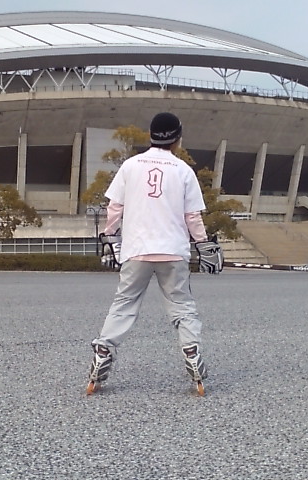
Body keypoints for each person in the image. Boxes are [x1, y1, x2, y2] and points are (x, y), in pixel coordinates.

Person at [86, 112, 215, 395]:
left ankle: (104, 350)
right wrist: (204, 244)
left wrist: (109, 236)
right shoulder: (183, 170)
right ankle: (191, 352)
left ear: (150, 135)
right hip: (173, 251)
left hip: (137, 249)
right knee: (182, 306)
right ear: (178, 138)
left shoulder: (130, 166)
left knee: (124, 304)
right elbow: (192, 216)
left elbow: (115, 207)